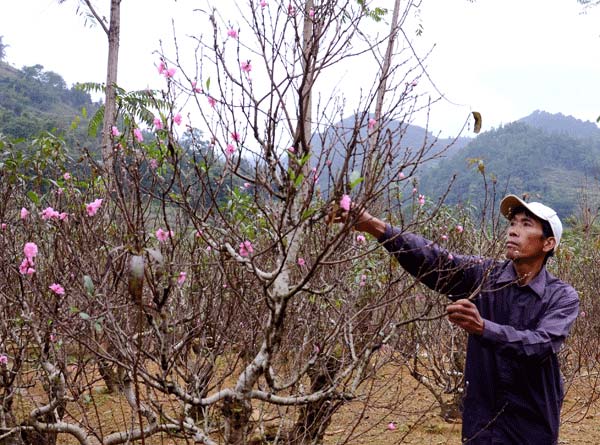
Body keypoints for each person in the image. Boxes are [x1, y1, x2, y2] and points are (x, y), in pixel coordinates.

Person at [348, 194, 579, 444]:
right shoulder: (484, 275)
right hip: (482, 424)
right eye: (512, 223)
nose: (513, 231)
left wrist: (483, 328)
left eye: (526, 225)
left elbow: (541, 344)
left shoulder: (562, 296)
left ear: (548, 244)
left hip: (531, 426)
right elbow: (436, 260)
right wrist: (376, 227)